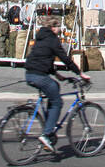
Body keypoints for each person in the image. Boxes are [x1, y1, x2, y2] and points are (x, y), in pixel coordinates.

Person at [23, 16, 90, 151]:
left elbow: (43, 57)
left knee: (55, 88)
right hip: (39, 76)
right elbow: (65, 58)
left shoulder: (40, 37)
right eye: (59, 26)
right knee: (58, 101)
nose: (60, 29)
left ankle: (49, 127)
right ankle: (47, 134)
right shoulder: (53, 39)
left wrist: (56, 74)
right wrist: (79, 73)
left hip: (29, 73)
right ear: (53, 27)